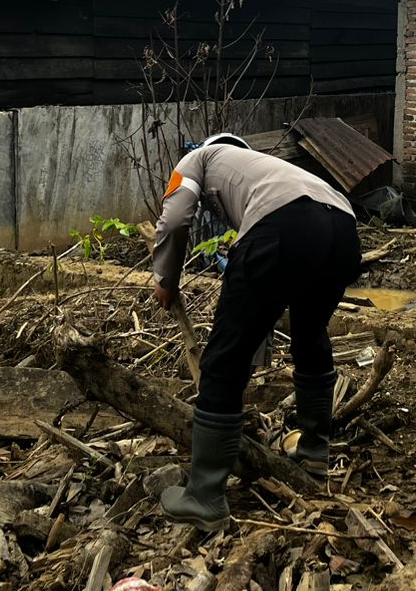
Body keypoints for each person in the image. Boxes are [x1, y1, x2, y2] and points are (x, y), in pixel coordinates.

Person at [149, 132, 361, 530]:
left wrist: (165, 277)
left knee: (224, 355)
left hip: (285, 226)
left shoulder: (197, 160)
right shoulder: (267, 170)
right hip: (343, 230)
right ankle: (316, 450)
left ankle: (204, 495)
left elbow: (176, 218)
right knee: (310, 334)